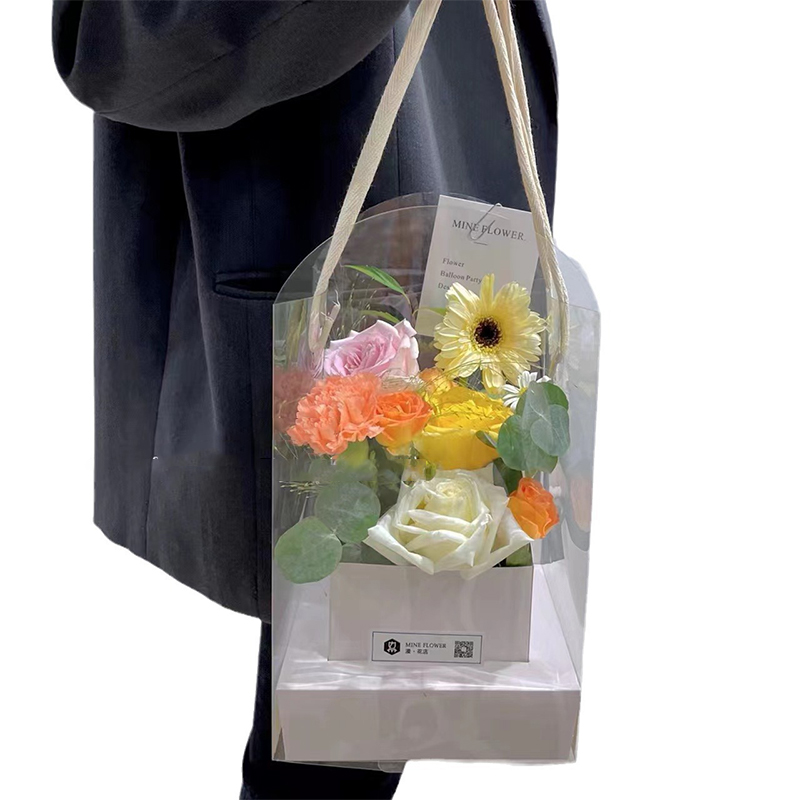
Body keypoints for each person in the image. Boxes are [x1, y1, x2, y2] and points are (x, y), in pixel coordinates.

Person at [52, 1, 558, 797]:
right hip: (309, 267)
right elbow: (113, 44)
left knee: (360, 715)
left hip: (445, 237)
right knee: (340, 729)